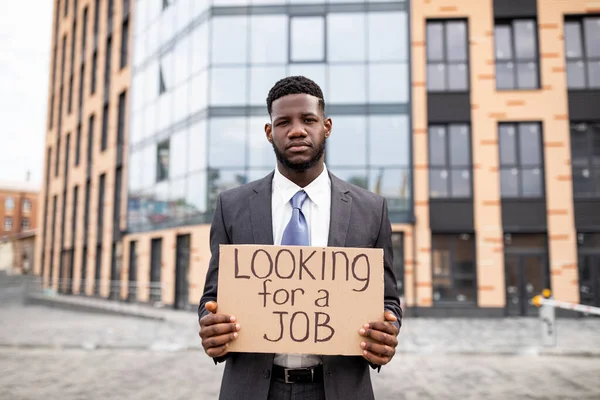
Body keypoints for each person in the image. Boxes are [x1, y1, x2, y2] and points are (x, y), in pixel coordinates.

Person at [199, 76, 402, 400]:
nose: (296, 130)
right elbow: (213, 296)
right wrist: (210, 326)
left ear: (327, 126)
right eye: (283, 122)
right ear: (269, 132)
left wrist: (388, 331)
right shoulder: (232, 206)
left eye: (308, 119)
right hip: (253, 389)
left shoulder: (371, 209)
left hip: (339, 388)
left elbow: (388, 300)